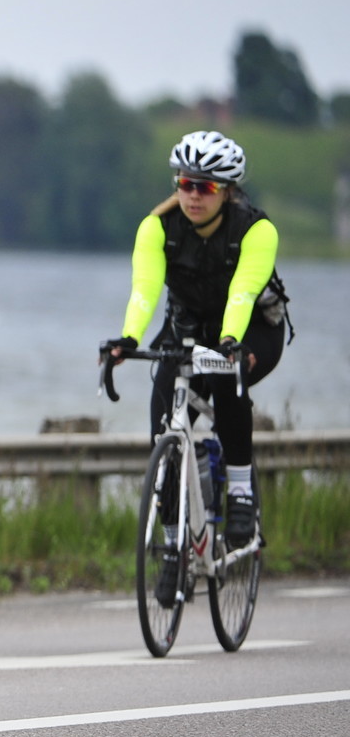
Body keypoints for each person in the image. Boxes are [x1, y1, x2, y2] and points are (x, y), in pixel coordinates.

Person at [101, 130, 287, 606]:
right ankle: (173, 549)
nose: (192, 195)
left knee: (227, 381)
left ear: (226, 191)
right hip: (186, 328)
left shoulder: (255, 230)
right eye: (185, 183)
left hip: (251, 330)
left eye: (204, 187)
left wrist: (229, 343)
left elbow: (243, 294)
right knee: (163, 418)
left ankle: (240, 490)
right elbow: (144, 290)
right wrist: (128, 339)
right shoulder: (156, 227)